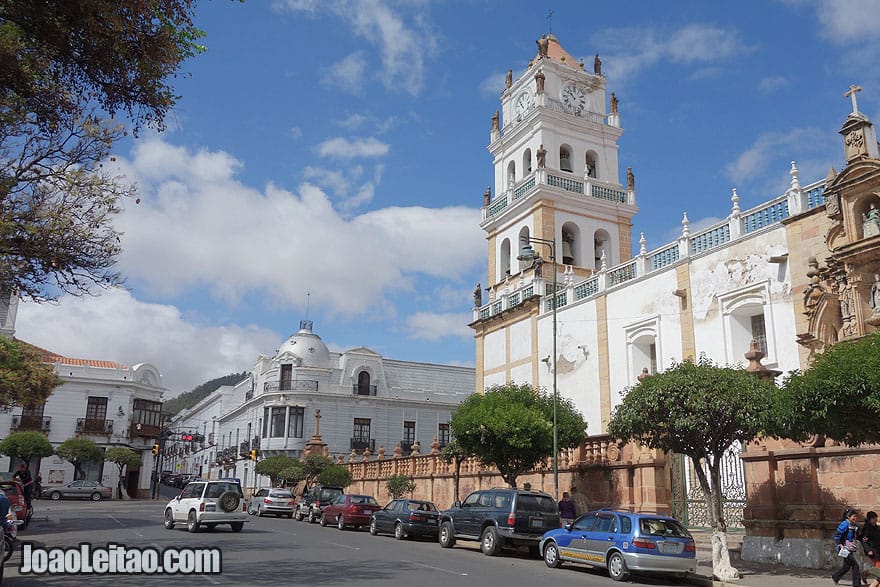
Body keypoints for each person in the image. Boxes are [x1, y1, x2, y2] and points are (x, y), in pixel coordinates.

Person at [833, 508, 861, 587]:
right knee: (855, 565)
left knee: (847, 566)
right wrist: (840, 545)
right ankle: (857, 585)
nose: (855, 518)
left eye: (856, 516)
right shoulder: (845, 524)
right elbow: (836, 535)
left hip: (851, 548)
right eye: (853, 516)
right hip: (844, 549)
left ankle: (835, 577)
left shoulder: (854, 525)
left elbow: (856, 536)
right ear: (848, 516)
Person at [860, 511, 880, 585]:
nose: (875, 519)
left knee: (878, 569)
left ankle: (867, 573)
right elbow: (864, 541)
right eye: (873, 518)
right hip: (873, 551)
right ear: (869, 519)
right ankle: (867, 573)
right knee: (878, 569)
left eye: (876, 518)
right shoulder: (867, 529)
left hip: (878, 549)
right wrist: (868, 550)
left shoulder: (877, 528)